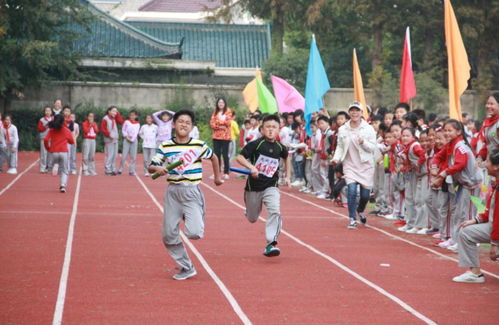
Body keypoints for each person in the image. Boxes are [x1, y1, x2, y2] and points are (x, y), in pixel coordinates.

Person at [149, 109, 222, 280]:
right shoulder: (165, 146)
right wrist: (158, 168)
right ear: (173, 124)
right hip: (173, 192)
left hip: (191, 191)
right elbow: (152, 166)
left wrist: (217, 178)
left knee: (195, 233)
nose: (183, 125)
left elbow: (214, 158)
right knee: (168, 234)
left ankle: (196, 214)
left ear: (192, 127)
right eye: (180, 121)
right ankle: (186, 266)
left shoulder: (198, 146)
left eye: (187, 123)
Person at [236, 114, 291, 257]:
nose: (271, 130)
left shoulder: (280, 147)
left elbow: (287, 157)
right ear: (262, 129)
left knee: (275, 211)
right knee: (252, 218)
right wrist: (251, 167)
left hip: (271, 186)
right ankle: (249, 210)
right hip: (253, 187)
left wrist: (288, 176)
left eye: (274, 127)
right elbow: (239, 157)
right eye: (268, 127)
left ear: (279, 130)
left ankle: (271, 243)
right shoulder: (256, 144)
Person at [431, 119, 482, 252]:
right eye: (445, 130)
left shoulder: (460, 146)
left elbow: (460, 164)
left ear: (458, 131)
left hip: (471, 183)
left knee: (468, 213)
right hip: (462, 184)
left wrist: (443, 174)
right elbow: (437, 156)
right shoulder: (450, 145)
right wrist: (434, 166)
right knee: (458, 213)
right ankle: (456, 238)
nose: (447, 133)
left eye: (450, 130)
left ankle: (470, 241)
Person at [452, 148, 498, 283]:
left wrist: (494, 243)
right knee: (466, 228)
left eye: (488, 161)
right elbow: (491, 210)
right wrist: (476, 220)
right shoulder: (496, 184)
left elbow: (498, 218)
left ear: (496, 166)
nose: (484, 164)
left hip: (496, 228)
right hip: (494, 226)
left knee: (465, 233)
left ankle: (474, 273)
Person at [332, 102, 377, 229]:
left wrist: (363, 143)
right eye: (352, 110)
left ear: (362, 113)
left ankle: (360, 210)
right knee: (351, 190)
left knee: (364, 196)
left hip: (365, 165)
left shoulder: (368, 129)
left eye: (357, 111)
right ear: (349, 112)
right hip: (350, 164)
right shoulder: (343, 129)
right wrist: (336, 159)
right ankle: (352, 218)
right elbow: (340, 147)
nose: (354, 113)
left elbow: (372, 148)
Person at [398, 127, 426, 234]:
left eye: (407, 135)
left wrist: (417, 164)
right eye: (403, 135)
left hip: (417, 175)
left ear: (413, 137)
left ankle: (418, 224)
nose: (405, 138)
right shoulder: (406, 147)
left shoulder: (415, 146)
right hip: (410, 174)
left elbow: (423, 155)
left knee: (417, 199)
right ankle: (410, 223)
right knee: (409, 199)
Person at [44, 114, 75, 193]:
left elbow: (46, 139)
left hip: (54, 152)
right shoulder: (66, 130)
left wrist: (48, 148)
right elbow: (71, 141)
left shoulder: (51, 130)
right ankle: (62, 186)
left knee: (54, 162)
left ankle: (54, 165)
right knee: (64, 170)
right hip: (63, 152)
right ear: (63, 121)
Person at [210, 98, 233, 179]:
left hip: (225, 137)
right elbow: (212, 124)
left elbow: (228, 123)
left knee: (225, 154)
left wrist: (218, 123)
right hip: (216, 136)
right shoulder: (215, 112)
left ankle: (226, 172)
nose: (221, 103)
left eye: (222, 102)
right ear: (217, 103)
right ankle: (217, 172)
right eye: (219, 102)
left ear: (225, 103)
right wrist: (220, 126)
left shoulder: (228, 111)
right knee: (216, 155)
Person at [475, 92, 499, 165]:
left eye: (491, 104)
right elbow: (488, 144)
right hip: (491, 165)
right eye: (487, 103)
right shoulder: (487, 123)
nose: (488, 106)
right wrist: (480, 157)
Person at [101, 106, 123, 175]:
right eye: (113, 111)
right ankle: (108, 169)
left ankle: (112, 169)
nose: (115, 113)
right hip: (109, 139)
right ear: (109, 111)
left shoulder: (114, 118)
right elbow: (103, 129)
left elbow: (120, 121)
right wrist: (109, 134)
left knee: (115, 155)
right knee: (109, 155)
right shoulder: (105, 118)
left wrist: (117, 113)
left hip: (115, 139)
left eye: (116, 111)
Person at [118, 110, 140, 176]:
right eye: (131, 115)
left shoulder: (137, 124)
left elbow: (136, 133)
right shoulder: (126, 122)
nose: (132, 116)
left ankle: (131, 170)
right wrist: (126, 137)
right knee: (124, 156)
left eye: (133, 115)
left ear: (136, 116)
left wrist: (132, 139)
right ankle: (120, 170)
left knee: (133, 157)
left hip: (134, 140)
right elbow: (123, 130)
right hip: (126, 140)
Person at [37, 106, 53, 173]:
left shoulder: (53, 119)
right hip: (44, 138)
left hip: (52, 139)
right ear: (44, 112)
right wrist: (46, 126)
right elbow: (39, 129)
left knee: (51, 154)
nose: (47, 112)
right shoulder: (41, 120)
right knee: (43, 153)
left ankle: (50, 167)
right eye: (46, 111)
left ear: (51, 112)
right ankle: (42, 167)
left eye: (49, 110)